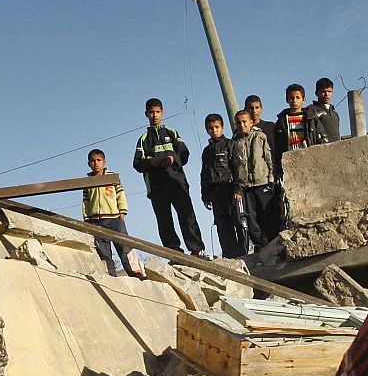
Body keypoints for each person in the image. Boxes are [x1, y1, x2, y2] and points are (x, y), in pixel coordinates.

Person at [132, 97, 205, 256]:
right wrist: (153, 162)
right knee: (165, 221)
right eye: (151, 112)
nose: (155, 115)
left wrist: (173, 159)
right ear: (146, 114)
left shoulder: (172, 132)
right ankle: (174, 252)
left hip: (177, 183)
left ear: (162, 113)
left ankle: (197, 250)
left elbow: (184, 154)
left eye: (157, 112)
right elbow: (137, 164)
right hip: (157, 188)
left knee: (187, 217)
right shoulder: (143, 139)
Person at [82, 149, 142, 277]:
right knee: (103, 252)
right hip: (96, 221)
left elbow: (120, 194)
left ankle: (135, 272)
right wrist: (86, 218)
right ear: (89, 164)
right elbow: (85, 201)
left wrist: (122, 212)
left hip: (114, 218)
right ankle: (110, 275)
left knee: (125, 246)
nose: (96, 163)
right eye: (93, 161)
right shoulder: (87, 182)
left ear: (104, 162)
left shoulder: (112, 176)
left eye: (99, 160)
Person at [231, 108, 281, 247]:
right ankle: (261, 247)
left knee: (268, 216)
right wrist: (238, 187)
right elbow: (235, 166)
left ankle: (275, 246)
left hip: (263, 182)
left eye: (244, 122)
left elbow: (269, 158)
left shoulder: (260, 137)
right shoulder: (235, 142)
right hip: (246, 187)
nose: (242, 125)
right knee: (252, 221)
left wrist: (271, 179)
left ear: (251, 122)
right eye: (238, 123)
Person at [200, 112, 247, 257]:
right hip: (215, 192)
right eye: (210, 128)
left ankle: (244, 253)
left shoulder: (230, 145)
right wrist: (205, 195)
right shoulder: (207, 151)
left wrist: (238, 189)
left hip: (230, 188)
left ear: (222, 127)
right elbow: (204, 174)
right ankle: (229, 255)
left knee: (238, 222)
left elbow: (238, 167)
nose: (214, 131)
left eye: (216, 127)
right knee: (222, 225)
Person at [273, 83, 310, 180]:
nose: (294, 100)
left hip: (307, 157)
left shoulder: (310, 118)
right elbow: (277, 145)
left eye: (298, 97)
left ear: (303, 99)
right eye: (291, 98)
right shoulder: (281, 121)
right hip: (289, 158)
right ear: (287, 100)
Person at [304, 77, 343, 144]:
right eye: (323, 91)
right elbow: (310, 135)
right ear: (316, 93)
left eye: (329, 91)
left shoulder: (335, 114)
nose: (327, 94)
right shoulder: (311, 110)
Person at [244, 94, 280, 159]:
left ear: (261, 109)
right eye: (251, 108)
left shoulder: (271, 127)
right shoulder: (240, 131)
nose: (254, 111)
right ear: (245, 110)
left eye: (257, 107)